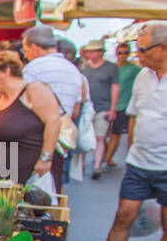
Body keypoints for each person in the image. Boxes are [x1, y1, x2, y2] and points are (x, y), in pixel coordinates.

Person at [78, 22, 167, 241]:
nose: (136, 54)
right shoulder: (142, 77)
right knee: (123, 217)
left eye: (142, 49)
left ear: (163, 49)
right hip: (139, 163)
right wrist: (129, 153)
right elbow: (134, 116)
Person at [0, 51, 62, 184]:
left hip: (26, 179)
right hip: (0, 181)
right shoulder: (0, 99)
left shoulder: (33, 90)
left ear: (6, 71)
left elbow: (53, 121)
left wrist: (45, 158)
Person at [21, 25, 85, 193]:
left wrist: (45, 156)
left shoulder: (33, 68)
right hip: (60, 144)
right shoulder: (74, 70)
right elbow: (76, 111)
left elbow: (22, 105)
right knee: (52, 189)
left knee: (29, 196)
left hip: (35, 143)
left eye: (25, 49)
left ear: (34, 47)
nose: (25, 54)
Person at [79, 40, 120, 179]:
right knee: (84, 135)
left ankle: (96, 166)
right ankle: (82, 164)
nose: (88, 54)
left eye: (91, 51)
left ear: (100, 52)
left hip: (104, 107)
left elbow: (115, 88)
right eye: (87, 51)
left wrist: (112, 109)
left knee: (100, 137)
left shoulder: (111, 68)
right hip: (87, 107)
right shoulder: (85, 68)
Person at [103, 40, 139, 170]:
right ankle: (105, 155)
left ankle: (107, 159)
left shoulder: (134, 69)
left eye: (125, 53)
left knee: (115, 133)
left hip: (123, 106)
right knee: (102, 134)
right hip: (107, 104)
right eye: (120, 53)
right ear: (116, 53)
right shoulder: (111, 68)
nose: (123, 55)